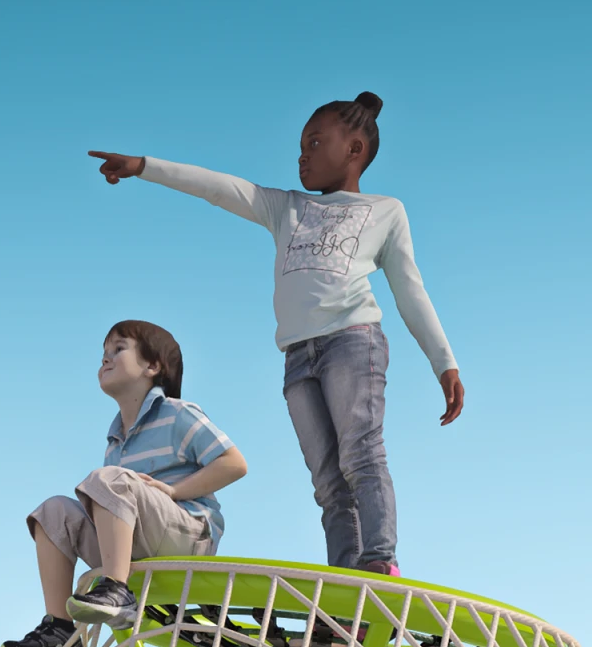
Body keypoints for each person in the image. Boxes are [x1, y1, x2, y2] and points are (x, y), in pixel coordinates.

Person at [89, 91, 462, 576]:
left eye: (314, 142)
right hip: (297, 357)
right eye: (300, 145)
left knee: (361, 455)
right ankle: (349, 578)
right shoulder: (285, 207)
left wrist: (443, 361)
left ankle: (379, 559)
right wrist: (143, 165)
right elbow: (218, 187)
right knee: (327, 481)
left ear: (354, 150)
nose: (302, 154)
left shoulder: (385, 210)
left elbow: (410, 289)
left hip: (353, 342)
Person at [0, 319, 247, 647]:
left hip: (188, 533)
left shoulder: (177, 414)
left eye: (118, 349)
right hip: (140, 542)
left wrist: (175, 491)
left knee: (108, 479)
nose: (105, 359)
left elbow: (233, 463)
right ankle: (60, 629)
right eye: (103, 353)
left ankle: (117, 589)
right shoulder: (115, 439)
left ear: (153, 366)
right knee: (53, 510)